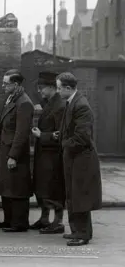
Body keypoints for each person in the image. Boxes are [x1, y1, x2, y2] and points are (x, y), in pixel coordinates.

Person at [56, 72, 102, 246]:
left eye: (60, 88)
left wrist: (65, 144)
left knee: (80, 195)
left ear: (68, 88)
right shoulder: (72, 102)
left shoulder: (80, 105)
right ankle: (76, 230)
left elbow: (82, 137)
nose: (58, 91)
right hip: (74, 157)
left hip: (81, 159)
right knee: (73, 195)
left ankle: (83, 234)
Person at [0, 69, 34, 232]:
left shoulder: (24, 102)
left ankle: (19, 223)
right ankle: (9, 220)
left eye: (6, 83)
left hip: (15, 153)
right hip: (7, 149)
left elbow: (22, 132)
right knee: (8, 186)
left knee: (17, 188)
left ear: (16, 84)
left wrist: (13, 155)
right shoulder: (12, 98)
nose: (3, 86)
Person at [30, 71, 66, 234]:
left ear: (52, 87)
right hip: (45, 155)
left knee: (54, 188)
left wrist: (41, 135)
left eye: (42, 88)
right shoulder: (50, 103)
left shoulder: (59, 106)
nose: (39, 91)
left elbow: (61, 134)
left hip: (53, 156)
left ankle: (58, 222)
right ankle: (44, 218)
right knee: (43, 187)